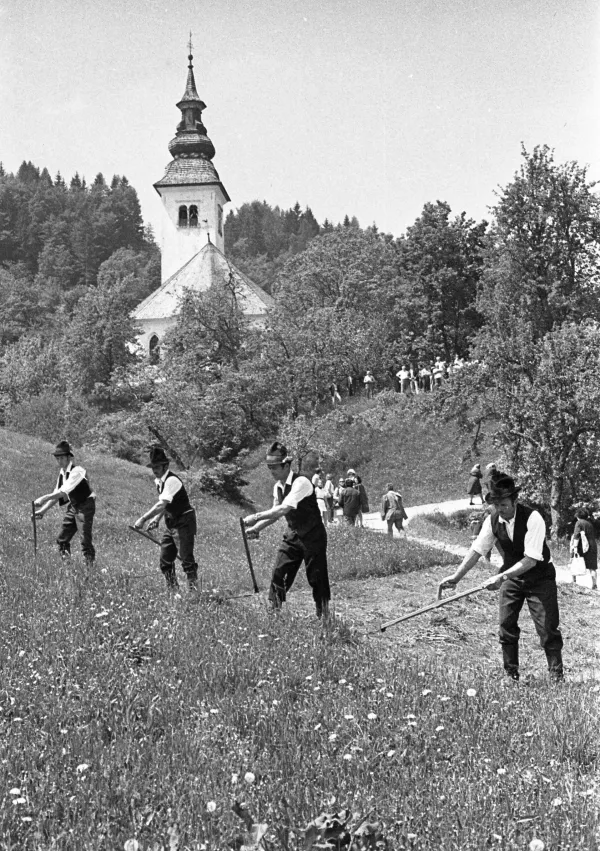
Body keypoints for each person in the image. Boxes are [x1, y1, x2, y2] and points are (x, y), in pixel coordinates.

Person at [438, 475, 564, 682]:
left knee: (547, 627)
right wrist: (456, 577)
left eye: (504, 504)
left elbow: (531, 560)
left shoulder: (533, 518)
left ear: (515, 501)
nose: (501, 509)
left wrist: (500, 577)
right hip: (512, 579)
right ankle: (510, 674)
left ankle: (556, 676)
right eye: (496, 505)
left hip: (539, 577)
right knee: (506, 625)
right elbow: (478, 549)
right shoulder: (493, 520)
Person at [243, 443, 330, 618]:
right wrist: (256, 528)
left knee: (316, 576)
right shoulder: (278, 486)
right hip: (294, 535)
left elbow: (283, 509)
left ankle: (324, 615)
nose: (272, 471)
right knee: (279, 571)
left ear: (287, 465)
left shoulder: (301, 482)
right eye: (269, 468)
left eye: (275, 467)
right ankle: (274, 612)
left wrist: (256, 516)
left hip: (313, 536)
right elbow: (275, 514)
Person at [133, 446, 199, 592]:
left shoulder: (172, 481)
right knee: (165, 560)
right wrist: (157, 519)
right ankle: (173, 591)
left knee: (187, 559)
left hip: (185, 522)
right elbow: (167, 503)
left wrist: (143, 519)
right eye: (153, 467)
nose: (154, 470)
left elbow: (161, 504)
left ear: (166, 466)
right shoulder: (159, 481)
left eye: (157, 467)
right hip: (172, 523)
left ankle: (195, 594)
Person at [33, 440, 97, 566]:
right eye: (57, 458)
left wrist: (43, 498)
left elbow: (63, 492)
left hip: (85, 506)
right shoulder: (62, 473)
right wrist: (42, 511)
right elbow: (56, 494)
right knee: (62, 539)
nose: (59, 461)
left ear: (69, 457)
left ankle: (90, 567)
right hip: (74, 506)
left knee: (85, 538)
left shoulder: (77, 471)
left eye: (62, 458)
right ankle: (66, 566)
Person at [571, 509, 598, 590]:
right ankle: (594, 585)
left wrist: (574, 547)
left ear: (577, 516)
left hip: (581, 546)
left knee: (575, 562)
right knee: (592, 567)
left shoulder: (579, 523)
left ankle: (573, 583)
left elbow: (576, 535)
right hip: (592, 545)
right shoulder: (590, 523)